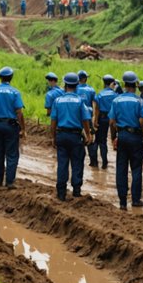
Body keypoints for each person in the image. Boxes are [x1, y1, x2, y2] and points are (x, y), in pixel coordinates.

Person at [50, 72, 93, 200]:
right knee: (77, 162)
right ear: (77, 85)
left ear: (65, 85)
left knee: (62, 163)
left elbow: (53, 122)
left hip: (61, 135)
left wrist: (53, 137)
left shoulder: (57, 101)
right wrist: (88, 135)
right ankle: (76, 190)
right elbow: (85, 120)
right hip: (75, 136)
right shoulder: (80, 101)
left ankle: (61, 192)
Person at [109, 71, 143, 209]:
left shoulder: (116, 100)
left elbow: (112, 121)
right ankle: (136, 200)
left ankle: (122, 202)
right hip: (135, 137)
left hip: (122, 136)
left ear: (124, 84)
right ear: (135, 85)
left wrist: (114, 137)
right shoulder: (139, 101)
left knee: (121, 168)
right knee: (136, 168)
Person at [0, 67, 26, 188]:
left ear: (0, 77)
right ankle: (9, 181)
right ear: (11, 78)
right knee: (12, 154)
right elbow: (19, 112)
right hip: (11, 126)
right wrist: (23, 129)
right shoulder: (15, 92)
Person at [92, 75, 119, 170]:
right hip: (113, 119)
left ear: (104, 83)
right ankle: (105, 163)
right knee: (111, 139)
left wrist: (95, 121)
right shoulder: (115, 95)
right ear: (112, 83)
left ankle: (96, 162)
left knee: (100, 140)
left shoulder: (99, 94)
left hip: (102, 118)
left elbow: (97, 109)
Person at [76, 70, 97, 167]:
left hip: (76, 116)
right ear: (85, 79)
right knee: (90, 137)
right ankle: (93, 161)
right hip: (87, 116)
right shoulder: (91, 90)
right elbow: (95, 103)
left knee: (77, 136)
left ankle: (78, 159)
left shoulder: (74, 89)